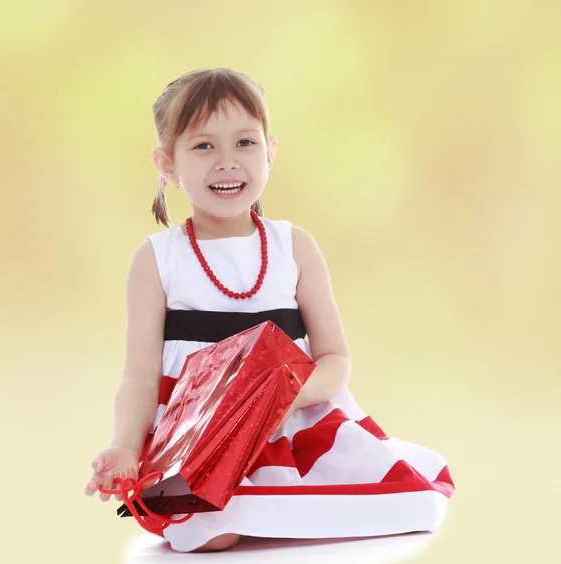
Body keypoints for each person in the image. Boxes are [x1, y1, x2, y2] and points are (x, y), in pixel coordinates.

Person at [84, 67, 455, 553]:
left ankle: (281, 500)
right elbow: (138, 375)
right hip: (201, 441)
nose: (226, 163)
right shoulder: (158, 259)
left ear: (270, 151)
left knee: (406, 505)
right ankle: (250, 505)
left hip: (292, 424)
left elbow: (335, 359)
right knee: (210, 533)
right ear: (166, 164)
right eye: (203, 146)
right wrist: (127, 448)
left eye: (244, 143)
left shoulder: (293, 246)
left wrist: (281, 399)